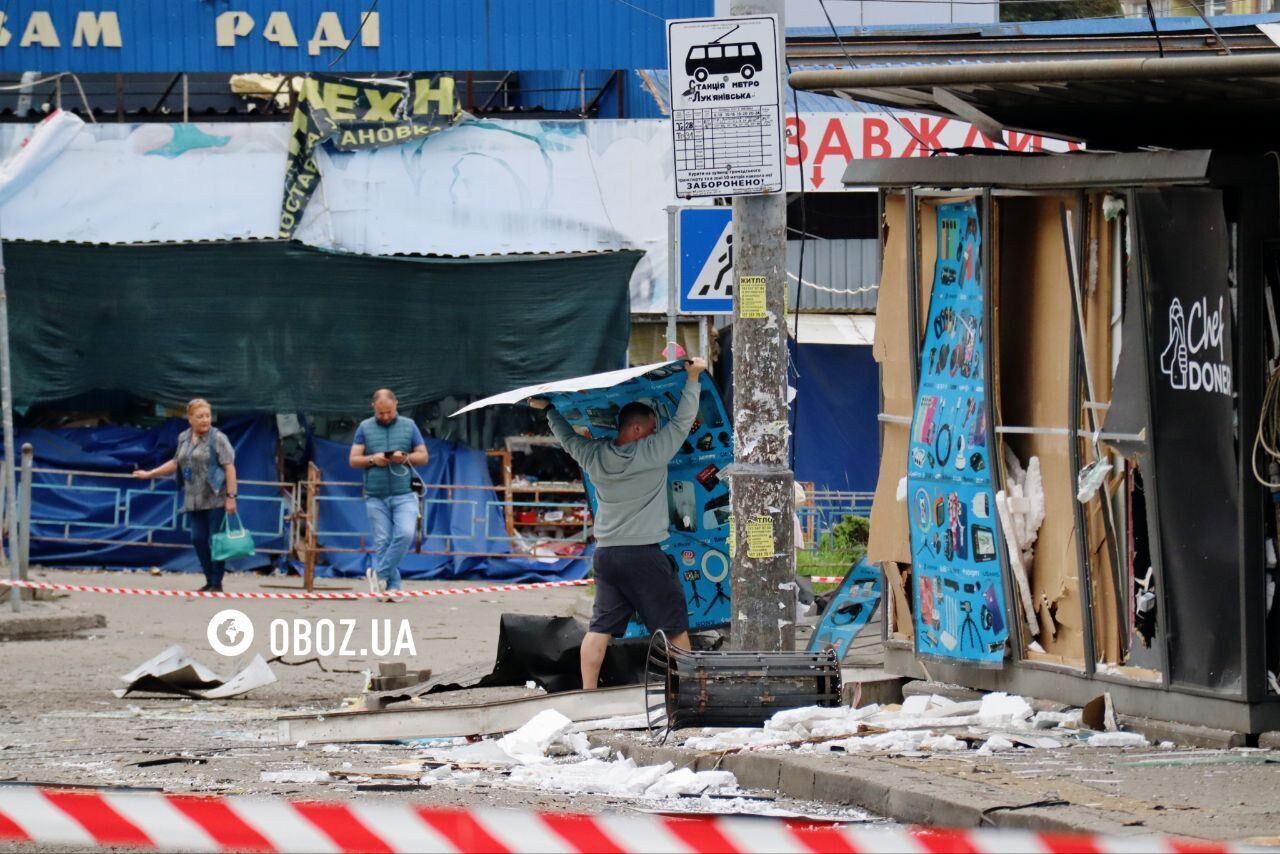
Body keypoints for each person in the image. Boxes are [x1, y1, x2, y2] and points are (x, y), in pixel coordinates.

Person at [529, 357, 706, 690]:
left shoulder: (593, 455)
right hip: (644, 556)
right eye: (652, 428)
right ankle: (690, 690)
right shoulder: (651, 452)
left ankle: (588, 693)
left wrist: (549, 410)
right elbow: (683, 422)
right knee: (675, 627)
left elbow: (567, 439)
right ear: (638, 429)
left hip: (607, 555)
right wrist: (693, 377)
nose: (655, 433)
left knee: (599, 628)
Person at [133, 398, 238, 592]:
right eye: (200, 416)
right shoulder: (183, 437)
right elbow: (175, 463)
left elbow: (229, 467)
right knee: (197, 538)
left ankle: (216, 582)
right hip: (193, 497)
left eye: (207, 416)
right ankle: (208, 578)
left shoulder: (218, 438)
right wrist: (150, 474)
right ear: (190, 418)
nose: (205, 420)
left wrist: (231, 497)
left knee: (216, 540)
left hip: (215, 496)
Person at [349, 389, 429, 600]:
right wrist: (373, 459)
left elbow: (423, 456)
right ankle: (391, 588)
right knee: (383, 542)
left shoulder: (409, 426)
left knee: (405, 534)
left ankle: (379, 573)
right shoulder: (365, 427)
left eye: (389, 412)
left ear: (396, 405)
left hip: (404, 492)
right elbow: (354, 459)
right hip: (375, 494)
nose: (385, 416)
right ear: (373, 407)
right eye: (381, 413)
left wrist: (404, 458)